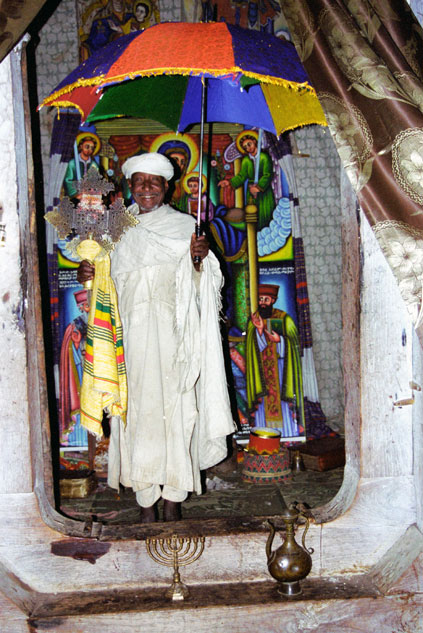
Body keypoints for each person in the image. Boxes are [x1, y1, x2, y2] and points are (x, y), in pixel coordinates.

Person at [78, 152, 234, 523]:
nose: (146, 188)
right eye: (139, 181)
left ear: (167, 187)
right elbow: (103, 287)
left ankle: (174, 499)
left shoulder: (185, 227)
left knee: (179, 413)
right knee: (137, 416)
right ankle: (146, 503)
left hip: (176, 339)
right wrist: (89, 272)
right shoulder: (114, 229)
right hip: (129, 340)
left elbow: (207, 287)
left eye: (155, 181)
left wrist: (200, 260)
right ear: (129, 186)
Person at [246, 284, 305, 439]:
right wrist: (259, 330)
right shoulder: (254, 320)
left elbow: (293, 343)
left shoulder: (284, 318)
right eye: (260, 299)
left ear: (273, 300)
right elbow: (252, 348)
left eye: (266, 299)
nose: (263, 302)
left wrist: (280, 341)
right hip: (261, 372)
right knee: (263, 405)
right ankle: (262, 436)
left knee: (282, 403)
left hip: (280, 370)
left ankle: (287, 435)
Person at [218, 130, 275, 230]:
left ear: (255, 141)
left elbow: (268, 174)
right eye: (245, 147)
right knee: (252, 216)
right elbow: (242, 176)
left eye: (249, 144)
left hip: (264, 192)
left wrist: (258, 187)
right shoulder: (246, 160)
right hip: (251, 192)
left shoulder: (264, 157)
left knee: (265, 214)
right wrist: (229, 182)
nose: (248, 148)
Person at [63, 133, 101, 200]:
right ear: (81, 146)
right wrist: (76, 194)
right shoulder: (72, 163)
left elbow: (95, 181)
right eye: (87, 147)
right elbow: (68, 180)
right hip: (75, 198)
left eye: (92, 148)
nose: (89, 150)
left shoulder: (94, 165)